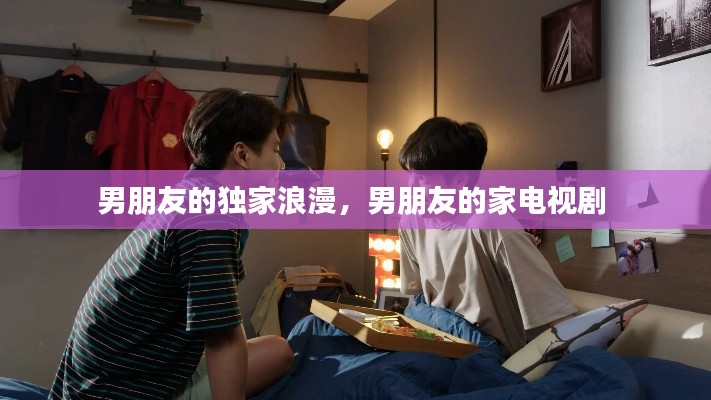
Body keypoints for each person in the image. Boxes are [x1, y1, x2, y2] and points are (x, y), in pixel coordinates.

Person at [50, 89, 295, 400]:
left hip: (98, 378)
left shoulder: (190, 195)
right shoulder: (209, 216)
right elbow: (223, 340)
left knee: (275, 348)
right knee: (278, 354)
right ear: (242, 154)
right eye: (275, 150)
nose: (281, 165)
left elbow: (220, 320)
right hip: (119, 390)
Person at [398, 117, 647, 380]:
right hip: (438, 344)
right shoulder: (411, 222)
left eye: (421, 179)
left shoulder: (491, 224)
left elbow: (559, 318)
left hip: (490, 359)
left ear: (459, 180)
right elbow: (418, 297)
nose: (410, 188)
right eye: (409, 176)